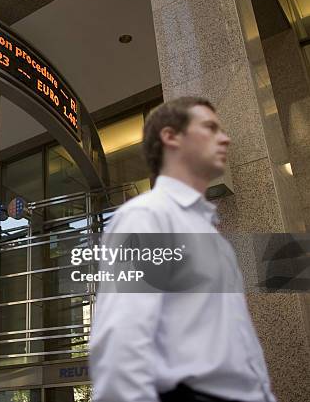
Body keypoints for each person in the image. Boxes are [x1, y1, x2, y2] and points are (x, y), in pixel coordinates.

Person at [89, 97, 276, 402]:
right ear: (171, 136)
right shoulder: (147, 218)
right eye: (211, 127)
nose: (225, 138)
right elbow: (121, 346)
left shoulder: (212, 238)